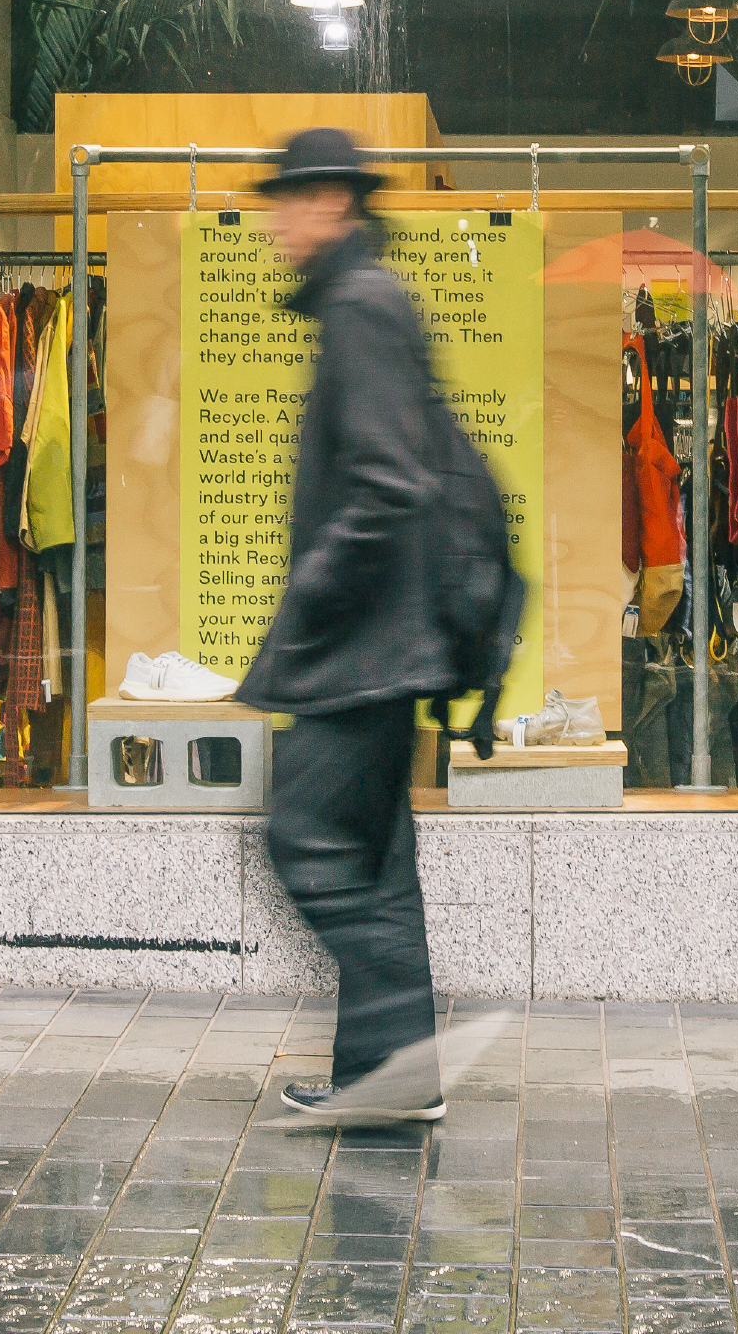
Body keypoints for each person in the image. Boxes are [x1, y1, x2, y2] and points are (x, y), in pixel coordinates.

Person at [235, 128, 447, 1128]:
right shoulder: (368, 301)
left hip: (357, 648)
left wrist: (308, 595)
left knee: (301, 839)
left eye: (289, 201)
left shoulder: (361, 306)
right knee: (374, 861)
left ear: (333, 205)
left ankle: (396, 1044)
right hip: (384, 645)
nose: (276, 220)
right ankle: (392, 1077)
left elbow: (390, 481)